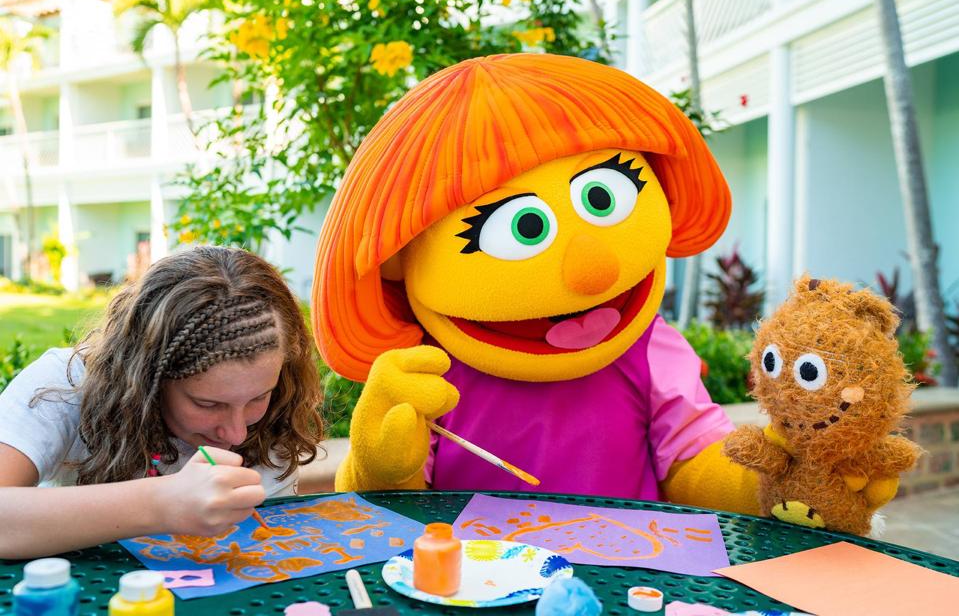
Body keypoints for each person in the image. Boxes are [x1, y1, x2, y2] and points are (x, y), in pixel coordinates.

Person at [312, 54, 908, 528]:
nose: (590, 268)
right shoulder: (429, 371)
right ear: (400, 259)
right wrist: (378, 465)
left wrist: (773, 479)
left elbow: (691, 458)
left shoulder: (649, 345)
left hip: (631, 575)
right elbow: (386, 511)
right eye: (523, 227)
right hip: (473, 582)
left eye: (603, 197)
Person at [0, 246, 324, 558]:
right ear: (147, 376)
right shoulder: (64, 385)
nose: (237, 434)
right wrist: (161, 503)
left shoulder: (277, 412)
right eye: (207, 404)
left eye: (258, 397)